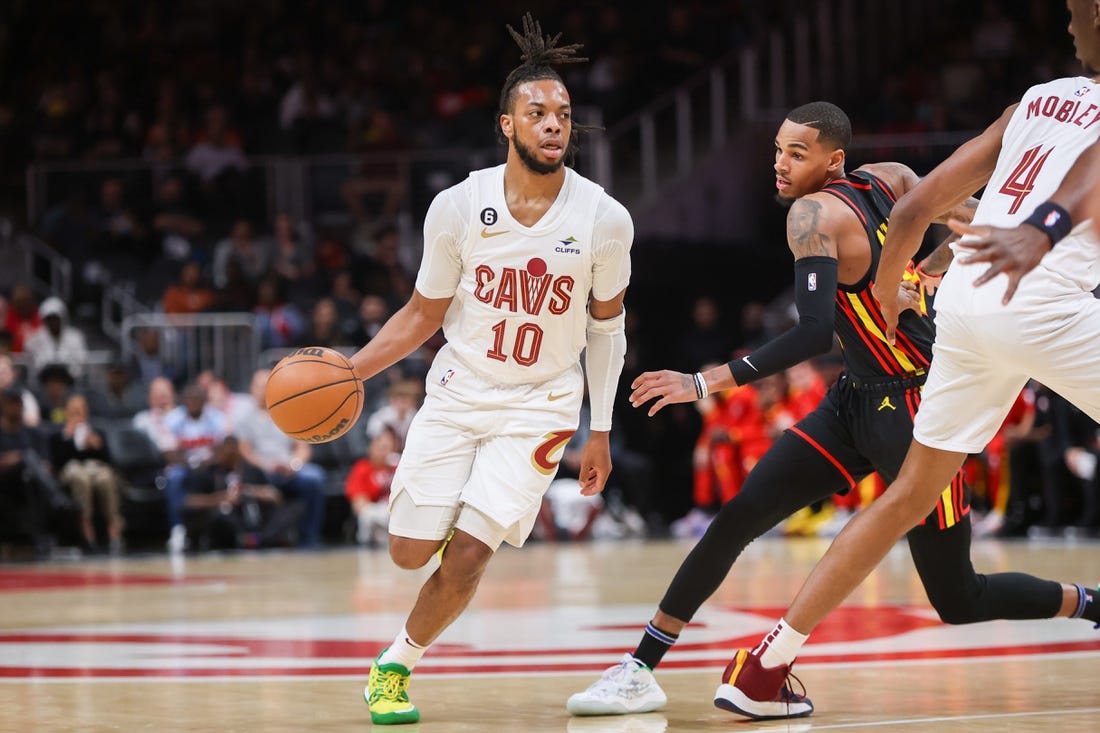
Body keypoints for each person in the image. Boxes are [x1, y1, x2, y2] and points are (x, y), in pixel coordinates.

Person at [567, 99, 1097, 721]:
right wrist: (925, 271)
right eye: (777, 150)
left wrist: (704, 382)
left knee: (959, 597)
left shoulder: (812, 215)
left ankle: (1089, 603)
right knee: (737, 517)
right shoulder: (895, 179)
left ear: (834, 160)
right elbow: (979, 227)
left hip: (919, 408)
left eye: (797, 153)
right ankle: (640, 667)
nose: (780, 164)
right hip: (853, 399)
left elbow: (814, 332)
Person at [721, 2, 1100, 719]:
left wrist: (893, 289)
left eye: (1076, 9)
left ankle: (767, 666)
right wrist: (1044, 231)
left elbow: (917, 205)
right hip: (1039, 296)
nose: (1068, 22)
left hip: (965, 304)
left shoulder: (1035, 101)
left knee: (907, 498)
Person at [352, 13, 632, 725]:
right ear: (506, 124)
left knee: (472, 555)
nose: (553, 123)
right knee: (408, 552)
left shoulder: (604, 219)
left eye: (562, 112)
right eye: (536, 112)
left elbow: (607, 328)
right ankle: (451, 518)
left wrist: (600, 429)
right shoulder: (456, 208)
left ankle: (395, 666)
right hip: (459, 390)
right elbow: (421, 315)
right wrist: (352, 372)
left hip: (541, 404)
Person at [234, 368, 326, 548]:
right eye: (259, 386)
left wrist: (293, 465)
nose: (263, 390)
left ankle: (309, 538)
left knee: (315, 477)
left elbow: (303, 447)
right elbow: (245, 452)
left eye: (266, 386)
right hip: (262, 470)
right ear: (251, 389)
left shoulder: (289, 412)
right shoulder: (244, 419)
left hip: (288, 469)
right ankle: (262, 536)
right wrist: (268, 466)